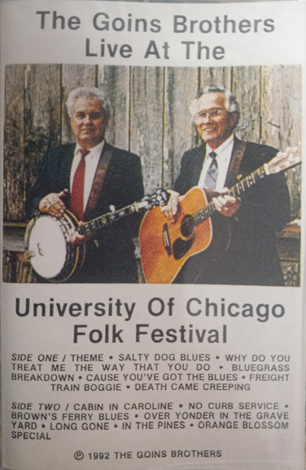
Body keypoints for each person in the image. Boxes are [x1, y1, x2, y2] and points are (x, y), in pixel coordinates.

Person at [164, 86, 291, 285]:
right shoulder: (191, 159)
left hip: (245, 273)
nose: (207, 120)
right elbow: (180, 198)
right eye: (201, 114)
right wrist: (171, 196)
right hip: (195, 270)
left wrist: (239, 210)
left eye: (215, 112)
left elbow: (280, 214)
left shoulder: (262, 157)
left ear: (232, 119)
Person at [26, 87, 144, 283]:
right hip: (57, 268)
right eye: (80, 115)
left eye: (95, 115)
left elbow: (135, 218)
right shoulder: (55, 157)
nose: (87, 122)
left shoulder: (126, 162)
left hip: (108, 269)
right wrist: (42, 202)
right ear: (71, 120)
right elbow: (30, 202)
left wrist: (97, 231)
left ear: (106, 120)